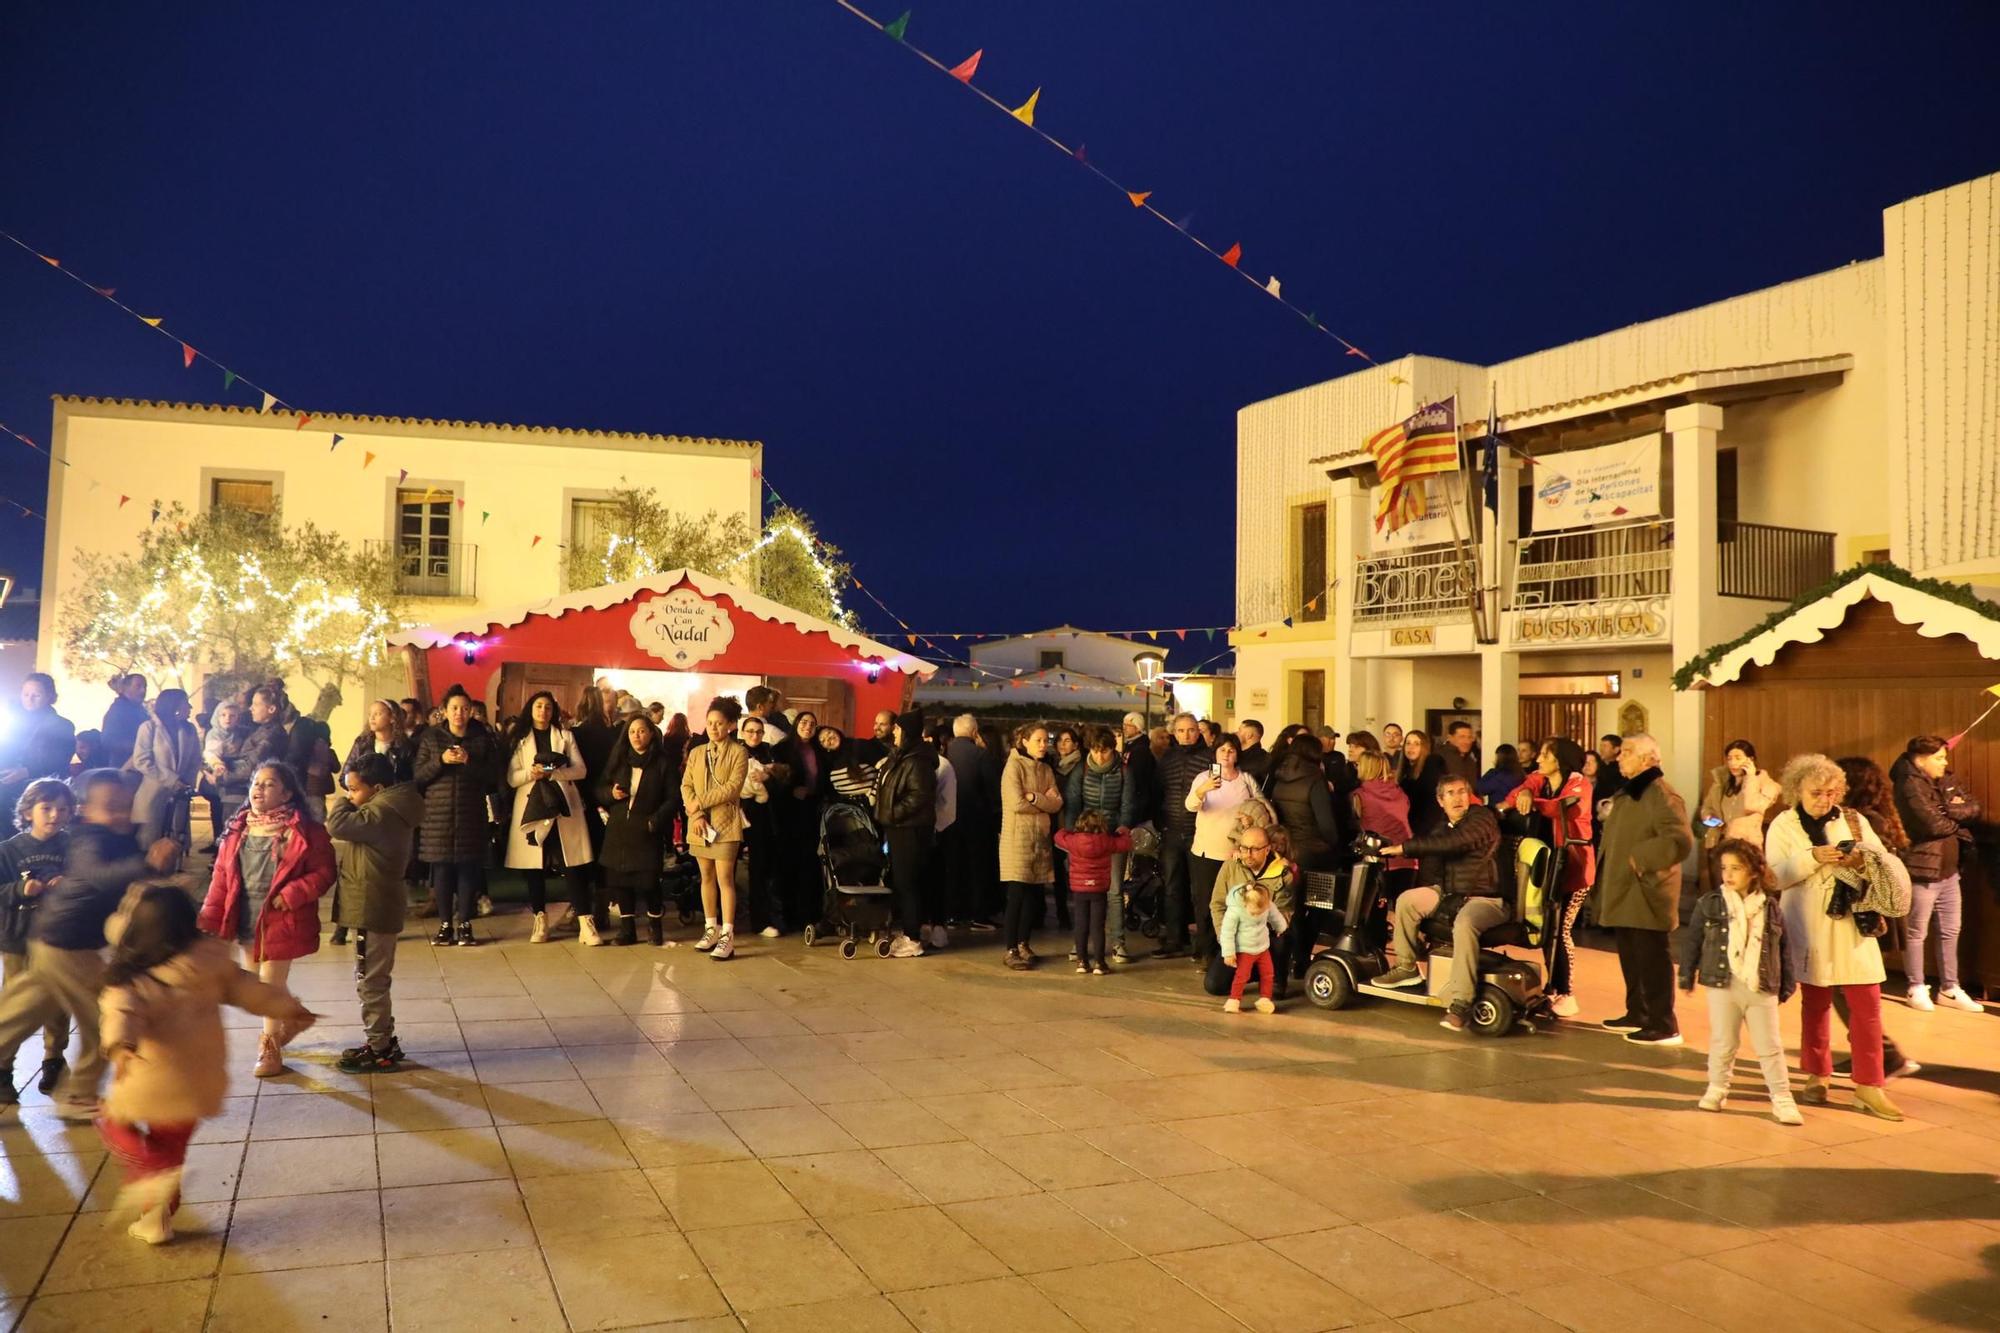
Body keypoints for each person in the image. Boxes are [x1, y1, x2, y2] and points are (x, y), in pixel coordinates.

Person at [98, 885, 315, 1244]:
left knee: (110, 1120)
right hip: (201, 1082)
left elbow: (121, 1013)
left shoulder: (132, 975)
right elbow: (251, 989)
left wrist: (121, 1047)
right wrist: (287, 1008)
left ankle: (149, 1173)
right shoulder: (211, 960)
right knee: (171, 1148)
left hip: (151, 1080)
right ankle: (156, 1220)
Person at [0, 769, 180, 1116]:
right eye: (110, 806)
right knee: (103, 1018)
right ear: (86, 810)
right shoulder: (86, 840)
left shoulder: (118, 837)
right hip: (69, 944)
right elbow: (98, 876)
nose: (120, 813)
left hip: (55, 940)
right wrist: (147, 863)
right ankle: (80, 1094)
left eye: (125, 805)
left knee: (21, 1012)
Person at [1766, 753, 1906, 1121]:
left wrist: (1858, 861)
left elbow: (1879, 859)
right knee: (1815, 1003)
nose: (1825, 800)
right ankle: (1817, 1074)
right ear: (1796, 790)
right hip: (1808, 922)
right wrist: (1813, 857)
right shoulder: (1783, 824)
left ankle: (1869, 1085)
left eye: (1832, 792)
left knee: (1868, 1006)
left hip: (1852, 925)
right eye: (1816, 793)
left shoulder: (1854, 820)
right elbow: (1774, 876)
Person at [198, 760, 335, 1078]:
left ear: (287, 793)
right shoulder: (238, 828)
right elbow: (221, 877)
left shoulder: (305, 831)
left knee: (267, 986)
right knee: (258, 982)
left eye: (269, 784)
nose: (259, 789)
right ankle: (295, 1015)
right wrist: (210, 917)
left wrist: (293, 894)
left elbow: (324, 872)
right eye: (256, 783)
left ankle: (269, 1048)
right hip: (245, 915)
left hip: (281, 918)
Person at [1679, 838, 1801, 1125]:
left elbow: (1784, 948)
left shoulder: (1770, 907)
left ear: (1754, 872)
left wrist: (1787, 983)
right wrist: (1687, 974)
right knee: (1723, 1041)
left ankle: (1782, 1099)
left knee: (1769, 1045)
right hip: (1723, 982)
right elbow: (1693, 940)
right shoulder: (1710, 904)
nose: (1728, 874)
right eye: (1724, 868)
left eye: (1736, 868)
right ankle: (1717, 1089)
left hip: (1760, 985)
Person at [1374, 776, 1504, 1032]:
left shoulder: (1482, 818)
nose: (1458, 798)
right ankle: (1407, 967)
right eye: (1450, 793)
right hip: (1451, 894)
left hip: (1485, 897)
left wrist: (1406, 848)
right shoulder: (1443, 825)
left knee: (1465, 923)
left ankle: (1461, 1003)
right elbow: (1433, 860)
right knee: (1408, 900)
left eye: (1462, 792)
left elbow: (1455, 844)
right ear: (1440, 800)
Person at [325, 753, 420, 1072]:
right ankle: (381, 1040)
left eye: (354, 789)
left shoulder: (380, 812)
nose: (350, 795)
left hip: (372, 904)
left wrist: (340, 800)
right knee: (373, 976)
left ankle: (380, 1047)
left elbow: (337, 825)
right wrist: (352, 796)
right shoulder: (391, 806)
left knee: (371, 979)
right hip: (377, 901)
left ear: (377, 788)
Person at [1595, 734, 1693, 1046]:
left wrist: (1641, 859)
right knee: (1631, 955)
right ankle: (1637, 1012)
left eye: (1627, 752)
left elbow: (1679, 841)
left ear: (1648, 759)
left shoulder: (1661, 794)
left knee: (1652, 957)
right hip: (1626, 887)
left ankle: (1663, 1023)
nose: (1619, 757)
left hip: (1646, 888)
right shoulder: (1633, 791)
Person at [1831, 757, 1919, 1078]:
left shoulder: (1862, 822)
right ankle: (1874, 1051)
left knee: (1847, 987)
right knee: (1848, 987)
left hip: (1864, 914)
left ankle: (1884, 1053)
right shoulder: (1875, 818)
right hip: (1868, 912)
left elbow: (1850, 865)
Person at [1503, 737, 1595, 1017]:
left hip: (1575, 868)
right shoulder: (1537, 779)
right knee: (1546, 930)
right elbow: (1513, 796)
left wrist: (1532, 799)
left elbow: (1562, 808)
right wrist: (1525, 794)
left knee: (1561, 930)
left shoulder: (1580, 782)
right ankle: (1552, 989)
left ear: (1560, 761)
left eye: (1545, 755)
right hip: (1548, 864)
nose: (1538, 759)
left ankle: (1567, 992)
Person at [1891, 735, 1984, 1013]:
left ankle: (1950, 988)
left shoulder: (1945, 778)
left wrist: (1948, 808)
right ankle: (1915, 986)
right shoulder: (1908, 784)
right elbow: (1932, 825)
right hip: (1922, 869)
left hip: (1950, 869)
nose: (1945, 762)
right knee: (1916, 930)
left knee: (1950, 929)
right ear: (1922, 759)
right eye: (1940, 757)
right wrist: (1954, 815)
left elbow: (1974, 807)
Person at [0, 779, 75, 1096]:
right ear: (28, 811)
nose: (54, 815)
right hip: (18, 939)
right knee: (15, 1003)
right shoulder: (9, 851)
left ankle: (54, 1059)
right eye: (46, 808)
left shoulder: (72, 847)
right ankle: (3, 1067)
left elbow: (87, 885)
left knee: (58, 1000)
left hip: (59, 939)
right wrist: (20, 889)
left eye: (62, 809)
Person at [505, 691, 596, 943]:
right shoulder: (520, 739)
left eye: (547, 707)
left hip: (562, 804)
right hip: (532, 803)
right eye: (538, 706)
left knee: (572, 862)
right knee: (535, 864)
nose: (543, 711)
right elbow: (512, 777)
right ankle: (540, 917)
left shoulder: (565, 736)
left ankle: (585, 921)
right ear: (530, 709)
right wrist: (531, 774)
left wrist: (554, 773)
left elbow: (581, 770)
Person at [412, 687, 500, 947]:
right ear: (444, 711)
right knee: (441, 870)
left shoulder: (481, 738)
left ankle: (465, 923)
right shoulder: (430, 737)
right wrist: (440, 760)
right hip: (437, 816)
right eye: (454, 708)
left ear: (471, 710)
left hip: (470, 813)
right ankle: (444, 924)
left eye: (464, 708)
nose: (460, 713)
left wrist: (468, 761)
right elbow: (418, 776)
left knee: (467, 869)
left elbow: (493, 775)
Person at [598, 713, 676, 947]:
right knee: (621, 880)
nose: (636, 736)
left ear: (652, 733)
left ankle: (655, 927)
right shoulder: (620, 759)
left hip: (647, 828)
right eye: (632, 731)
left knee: (649, 881)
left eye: (642, 731)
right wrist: (610, 795)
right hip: (620, 829)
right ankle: (627, 930)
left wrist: (655, 821)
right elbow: (599, 789)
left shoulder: (663, 763)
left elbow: (673, 798)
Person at [683, 696, 748, 960]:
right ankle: (711, 927)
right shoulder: (697, 752)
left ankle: (728, 935)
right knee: (705, 877)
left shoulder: (739, 752)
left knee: (725, 879)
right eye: (710, 723)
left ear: (731, 725)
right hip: (699, 825)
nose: (714, 728)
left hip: (726, 823)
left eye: (719, 723)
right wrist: (696, 812)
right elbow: (686, 785)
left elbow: (732, 787)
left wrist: (701, 801)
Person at [1185, 736, 1260, 963]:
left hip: (1237, 854)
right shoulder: (1203, 778)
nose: (1226, 754)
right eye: (1222, 750)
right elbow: (1190, 805)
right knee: (1207, 903)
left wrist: (1250, 821)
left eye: (1231, 750)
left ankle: (1228, 951)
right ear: (1215, 753)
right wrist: (1202, 791)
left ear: (1237, 754)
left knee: (1235, 904)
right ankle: (1207, 951)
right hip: (1207, 852)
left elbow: (1261, 808)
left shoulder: (1246, 780)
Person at [1000, 723, 1064, 970]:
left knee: (1033, 895)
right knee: (1017, 893)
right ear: (1024, 741)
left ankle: (1024, 942)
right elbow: (1016, 802)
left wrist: (1034, 797)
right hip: (1018, 838)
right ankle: (1010, 948)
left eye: (1045, 740)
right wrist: (1042, 800)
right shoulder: (1013, 766)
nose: (1043, 744)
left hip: (1040, 838)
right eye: (1037, 740)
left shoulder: (1046, 769)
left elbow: (1057, 802)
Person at [875, 711, 938, 958]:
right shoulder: (902, 756)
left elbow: (918, 797)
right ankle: (911, 930)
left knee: (908, 883)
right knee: (903, 881)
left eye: (899, 729)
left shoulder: (917, 761)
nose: (894, 732)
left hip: (909, 830)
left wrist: (891, 813)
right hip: (898, 829)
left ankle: (913, 938)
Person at [1070, 727, 1134, 962]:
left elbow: (1128, 804)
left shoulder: (1125, 772)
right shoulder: (1082, 770)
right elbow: (1073, 802)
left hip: (1112, 838)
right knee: (1083, 891)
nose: (1099, 756)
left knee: (1115, 890)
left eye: (1104, 751)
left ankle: (1118, 941)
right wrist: (1073, 835)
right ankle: (1080, 944)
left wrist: (1123, 827)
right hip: (1085, 838)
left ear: (1112, 749)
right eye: (1096, 751)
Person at [1152, 713, 1213, 959]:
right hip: (1172, 831)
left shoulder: (1209, 758)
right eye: (1181, 731)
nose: (1186, 735)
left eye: (1191, 730)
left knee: (1201, 891)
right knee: (1172, 887)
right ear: (1174, 733)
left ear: (1198, 732)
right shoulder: (1167, 759)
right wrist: (1161, 823)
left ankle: (1203, 943)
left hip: (1200, 831)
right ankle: (1175, 939)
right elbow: (1157, 791)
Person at [1054, 809, 1129, 975]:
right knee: (1098, 926)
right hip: (1099, 890)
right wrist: (1123, 831)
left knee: (1081, 925)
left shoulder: (1073, 841)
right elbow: (1126, 843)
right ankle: (1099, 963)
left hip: (1079, 890)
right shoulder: (1106, 841)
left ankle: (1082, 961)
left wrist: (1067, 829)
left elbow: (1058, 836)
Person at [0, 674, 76, 837]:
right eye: (26, 694)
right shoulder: (13, 721)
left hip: (40, 789)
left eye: (36, 695)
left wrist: (27, 770)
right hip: (7, 784)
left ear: (50, 697)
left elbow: (59, 759)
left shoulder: (62, 725)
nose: (29, 699)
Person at [130, 688, 202, 849]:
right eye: (186, 704)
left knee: (175, 840)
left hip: (180, 794)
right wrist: (172, 779)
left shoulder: (189, 730)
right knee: (148, 840)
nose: (189, 708)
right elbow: (141, 760)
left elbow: (195, 759)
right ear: (174, 706)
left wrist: (186, 783)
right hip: (153, 794)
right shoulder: (149, 728)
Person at [1699, 740, 1781, 853]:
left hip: (1747, 846)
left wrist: (1751, 777)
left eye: (1738, 758)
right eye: (1729, 758)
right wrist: (1712, 820)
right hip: (1720, 842)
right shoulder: (1723, 782)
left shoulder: (1766, 784)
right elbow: (1707, 808)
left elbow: (1752, 805)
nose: (1732, 763)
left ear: (1751, 759)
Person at [1219, 880, 1288, 1015]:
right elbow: (1227, 932)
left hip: (1262, 947)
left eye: (1260, 912)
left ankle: (1265, 999)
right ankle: (1234, 1000)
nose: (1257, 915)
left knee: (1268, 973)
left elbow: (1275, 916)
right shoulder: (1235, 910)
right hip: (1245, 949)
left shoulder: (1267, 904)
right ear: (1245, 904)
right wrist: (1228, 953)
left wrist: (1281, 927)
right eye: (1254, 913)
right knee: (1242, 975)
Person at [202, 699, 251, 835]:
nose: (227, 719)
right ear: (217, 716)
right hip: (219, 774)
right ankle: (219, 842)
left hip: (235, 776)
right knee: (219, 811)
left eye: (232, 715)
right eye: (223, 715)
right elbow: (211, 753)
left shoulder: (241, 733)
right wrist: (217, 764)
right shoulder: (214, 733)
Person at [345, 700, 416, 785]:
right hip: (365, 795)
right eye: (370, 714)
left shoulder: (404, 746)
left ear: (392, 718)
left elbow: (410, 779)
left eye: (378, 714)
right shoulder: (362, 743)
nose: (372, 718)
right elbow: (345, 775)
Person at [101, 673, 150, 774]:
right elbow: (108, 740)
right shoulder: (118, 711)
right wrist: (140, 746)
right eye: (138, 686)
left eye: (145, 687)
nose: (143, 691)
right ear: (126, 688)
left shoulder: (141, 710)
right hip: (125, 769)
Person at [1398, 730, 1446, 832]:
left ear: (1424, 747)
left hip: (1427, 829)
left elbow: (1430, 803)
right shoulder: (1405, 772)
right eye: (1408, 743)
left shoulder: (1431, 764)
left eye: (1417, 744)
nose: (1411, 747)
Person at [1439, 720, 1480, 787]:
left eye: (1469, 737)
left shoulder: (1471, 760)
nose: (1467, 741)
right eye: (1462, 737)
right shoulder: (1439, 757)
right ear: (1450, 738)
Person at [1236, 720, 1272, 787]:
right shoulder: (1236, 754)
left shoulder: (1262, 759)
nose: (1236, 733)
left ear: (1249, 735)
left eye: (1239, 730)